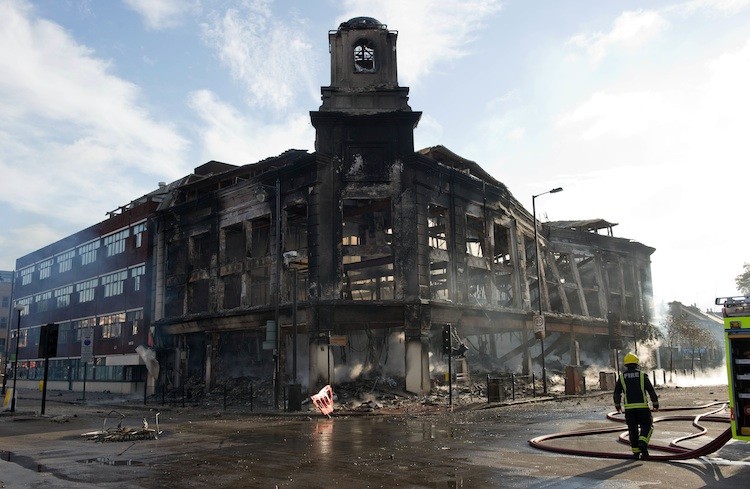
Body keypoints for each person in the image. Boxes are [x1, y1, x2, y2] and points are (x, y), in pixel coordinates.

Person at [613, 352, 659, 459]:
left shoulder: (622, 377)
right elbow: (651, 391)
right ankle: (643, 443)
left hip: (629, 410)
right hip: (642, 408)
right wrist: (655, 404)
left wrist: (617, 406)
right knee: (647, 426)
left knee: (632, 430)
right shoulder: (642, 376)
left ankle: (636, 452)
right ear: (636, 364)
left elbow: (617, 393)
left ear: (626, 365)